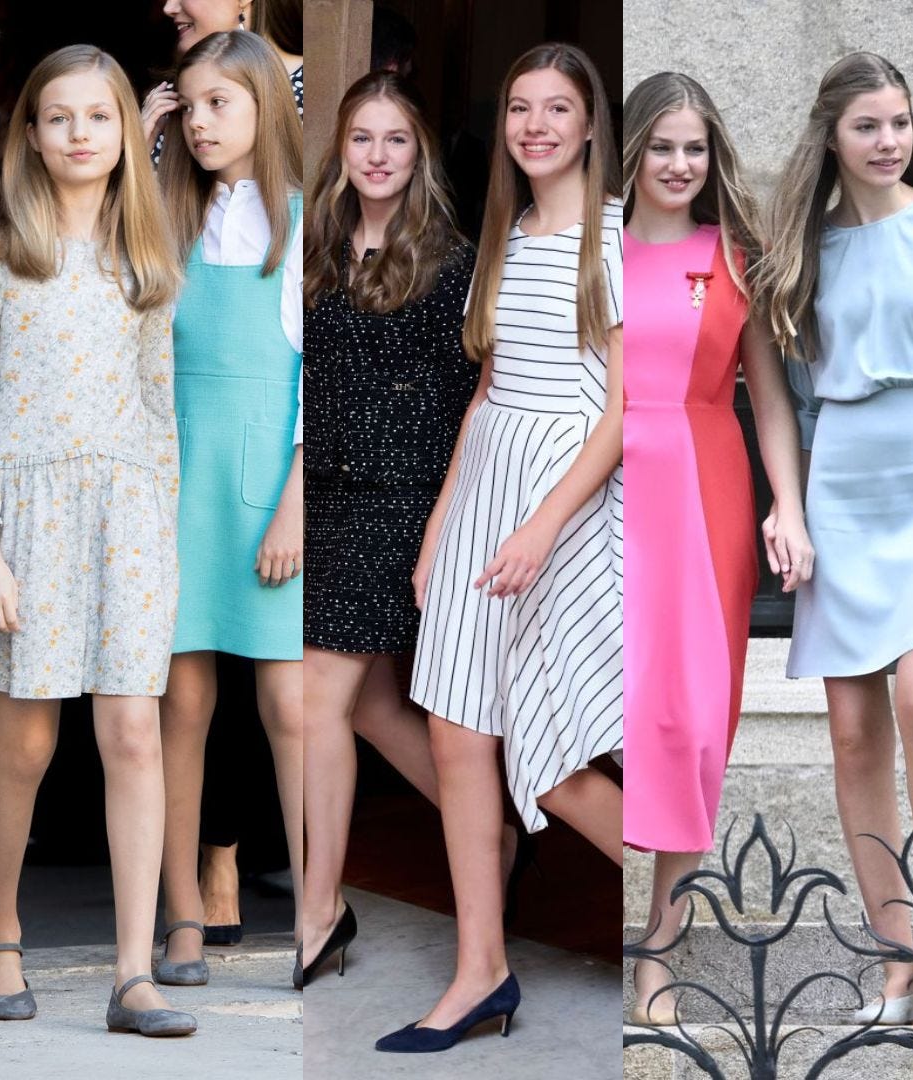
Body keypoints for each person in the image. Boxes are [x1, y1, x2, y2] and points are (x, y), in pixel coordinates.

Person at [383, 42, 627, 1054]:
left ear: (586, 125)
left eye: (556, 108)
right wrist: (446, 518)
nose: (534, 125)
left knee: (554, 745)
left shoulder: (613, 237)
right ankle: (481, 971)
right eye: (520, 107)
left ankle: (686, 915)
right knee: (456, 732)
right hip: (486, 481)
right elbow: (487, 388)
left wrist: (540, 524)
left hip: (564, 496)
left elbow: (626, 407)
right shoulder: (509, 230)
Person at [0, 43, 191, 1039]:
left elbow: (160, 408)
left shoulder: (147, 259)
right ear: (31, 132)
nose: (79, 134)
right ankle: (2, 937)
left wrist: (163, 534)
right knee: (26, 736)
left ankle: (133, 971)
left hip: (129, 517)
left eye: (99, 117)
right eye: (59, 117)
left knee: (133, 730)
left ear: (124, 134)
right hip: (27, 520)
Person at [749, 51, 913, 1024]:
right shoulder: (803, 252)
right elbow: (780, 398)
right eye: (868, 125)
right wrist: (788, 506)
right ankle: (897, 961)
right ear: (832, 133)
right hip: (843, 483)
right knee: (854, 731)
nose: (887, 141)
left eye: (900, 123)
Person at [617, 70, 812, 1026]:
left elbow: (768, 394)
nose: (679, 164)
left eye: (694, 148)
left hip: (705, 489)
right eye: (661, 146)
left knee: (690, 722)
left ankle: (659, 950)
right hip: (596, 487)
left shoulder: (734, 256)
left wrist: (791, 507)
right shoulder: (589, 251)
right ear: (631, 151)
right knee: (593, 707)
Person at [294, 71, 476, 988]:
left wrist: (445, 520)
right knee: (365, 707)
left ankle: (319, 912)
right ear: (341, 149)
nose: (376, 155)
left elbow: (468, 403)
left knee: (318, 698)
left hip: (403, 498)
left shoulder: (450, 262)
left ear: (419, 154)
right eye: (361, 138)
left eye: (395, 139)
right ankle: (493, 830)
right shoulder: (314, 251)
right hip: (323, 498)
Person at [152, 27, 307, 991]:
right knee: (182, 703)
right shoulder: (168, 220)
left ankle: (319, 905)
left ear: (264, 107)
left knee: (289, 703)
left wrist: (293, 503)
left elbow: (318, 381)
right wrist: (140, 131)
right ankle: (177, 911)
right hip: (174, 488)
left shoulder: (301, 225)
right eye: (191, 104)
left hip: (263, 490)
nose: (203, 123)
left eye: (222, 104)